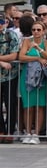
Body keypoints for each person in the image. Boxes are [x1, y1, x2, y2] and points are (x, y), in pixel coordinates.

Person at [17, 20, 47, 144]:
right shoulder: (26, 41)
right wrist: (37, 58)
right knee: (28, 106)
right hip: (26, 76)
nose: (36, 32)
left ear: (43, 31)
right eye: (34, 30)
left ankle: (36, 133)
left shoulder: (46, 42)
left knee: (39, 105)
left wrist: (38, 49)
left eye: (38, 29)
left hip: (40, 77)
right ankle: (28, 132)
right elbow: (21, 57)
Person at [0, 12, 21, 142]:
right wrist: (1, 62)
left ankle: (10, 131)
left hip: (10, 75)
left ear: (6, 23)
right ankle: (1, 130)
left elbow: (14, 55)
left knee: (10, 104)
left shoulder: (11, 35)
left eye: (2, 22)